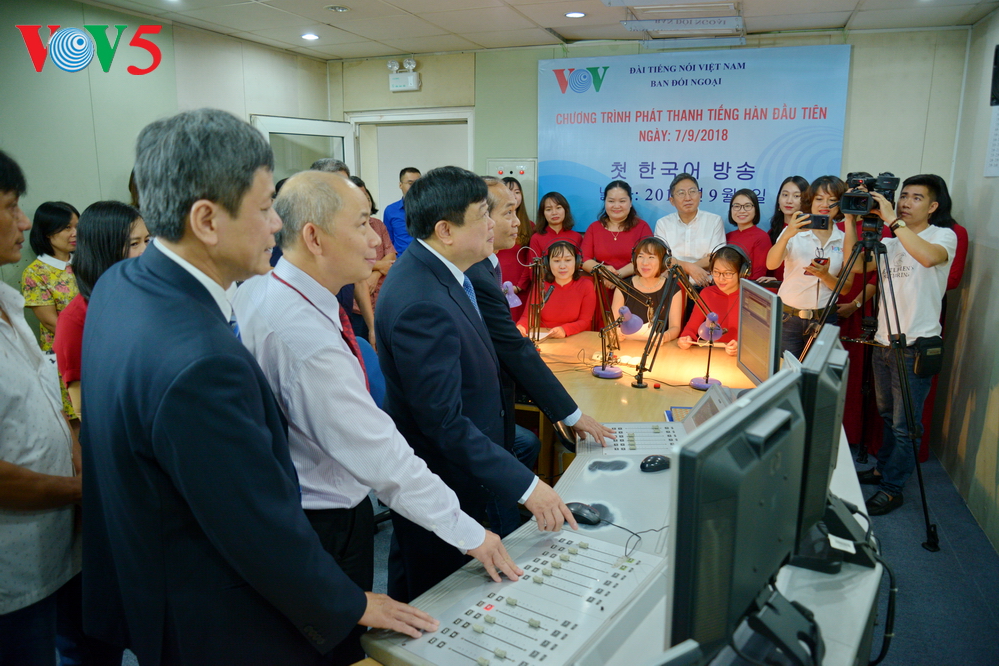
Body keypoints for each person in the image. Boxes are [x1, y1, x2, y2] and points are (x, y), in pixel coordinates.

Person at [79, 109, 435, 666]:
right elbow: (252, 523)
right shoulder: (201, 362)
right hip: (218, 614)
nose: (276, 226)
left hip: (149, 584)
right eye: (266, 207)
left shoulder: (121, 285)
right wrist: (349, 600)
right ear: (206, 220)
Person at [232, 171, 519, 664]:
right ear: (314, 237)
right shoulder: (303, 336)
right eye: (362, 224)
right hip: (325, 521)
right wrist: (471, 533)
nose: (376, 240)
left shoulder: (270, 288)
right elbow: (380, 455)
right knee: (337, 649)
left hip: (307, 503)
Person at [375, 166, 577, 602]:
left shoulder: (447, 273)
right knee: (437, 593)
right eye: (484, 214)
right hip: (444, 475)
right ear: (446, 230)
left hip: (464, 463)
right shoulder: (421, 300)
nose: (494, 224)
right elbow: (444, 423)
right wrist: (528, 487)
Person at [470, 178, 614, 536]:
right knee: (505, 459)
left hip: (495, 402)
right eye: (508, 212)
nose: (518, 222)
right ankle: (504, 531)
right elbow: (513, 342)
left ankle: (501, 516)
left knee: (524, 445)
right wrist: (573, 415)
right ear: (482, 218)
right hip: (476, 413)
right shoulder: (477, 272)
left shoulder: (487, 266)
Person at [0, 150, 82, 666]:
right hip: (13, 570)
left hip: (58, 545)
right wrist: (82, 490)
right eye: (11, 206)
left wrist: (75, 451)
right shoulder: (32, 281)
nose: (24, 221)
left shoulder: (7, 302)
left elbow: (44, 405)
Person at [848, 175, 958, 516]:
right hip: (884, 341)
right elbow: (859, 266)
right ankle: (883, 469)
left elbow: (927, 258)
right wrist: (851, 220)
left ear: (933, 206)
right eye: (904, 196)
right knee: (886, 415)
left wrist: (892, 220)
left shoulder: (943, 236)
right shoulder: (891, 242)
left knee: (905, 424)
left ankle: (893, 488)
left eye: (916, 198)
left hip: (914, 345)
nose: (906, 202)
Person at [53, 201, 150, 417]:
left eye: (147, 240)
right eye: (134, 244)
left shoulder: (149, 296)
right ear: (103, 249)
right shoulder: (77, 318)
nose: (146, 251)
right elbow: (83, 407)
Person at [766, 175, 850, 359]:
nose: (825, 205)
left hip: (825, 318)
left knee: (819, 372)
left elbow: (845, 288)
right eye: (819, 199)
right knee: (786, 371)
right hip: (789, 317)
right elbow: (771, 263)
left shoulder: (843, 239)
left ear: (840, 205)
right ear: (810, 202)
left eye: (832, 200)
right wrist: (787, 234)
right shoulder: (795, 231)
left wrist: (825, 276)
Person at [22, 201, 80, 353]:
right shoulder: (35, 273)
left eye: (77, 226)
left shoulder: (84, 262)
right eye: (67, 227)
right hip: (64, 348)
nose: (75, 233)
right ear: (48, 232)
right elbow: (51, 323)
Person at [654, 173, 725, 287]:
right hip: (672, 286)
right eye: (681, 193)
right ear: (672, 201)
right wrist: (689, 268)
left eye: (692, 191)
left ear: (700, 195)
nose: (688, 198)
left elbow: (716, 258)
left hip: (705, 285)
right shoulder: (663, 224)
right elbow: (663, 260)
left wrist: (683, 268)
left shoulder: (714, 221)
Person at [348, 175, 395, 345]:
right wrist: (380, 266)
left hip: (382, 300)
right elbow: (352, 261)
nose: (364, 202)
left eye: (366, 197)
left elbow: (391, 255)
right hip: (357, 306)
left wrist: (375, 275)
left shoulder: (378, 224)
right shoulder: (345, 229)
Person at [677, 245, 749, 356]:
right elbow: (691, 328)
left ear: (741, 273)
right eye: (716, 272)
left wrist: (741, 346)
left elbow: (760, 339)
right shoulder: (707, 293)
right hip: (711, 354)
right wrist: (686, 338)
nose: (721, 279)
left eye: (728, 273)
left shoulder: (751, 297)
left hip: (741, 357)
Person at [516, 240, 595, 339]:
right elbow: (528, 317)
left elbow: (585, 321)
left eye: (568, 260)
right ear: (547, 263)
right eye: (556, 261)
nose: (562, 266)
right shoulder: (540, 285)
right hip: (545, 339)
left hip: (575, 338)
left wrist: (565, 330)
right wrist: (521, 327)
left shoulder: (586, 285)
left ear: (577, 262)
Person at [610, 237, 682, 342]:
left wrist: (664, 337)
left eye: (651, 257)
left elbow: (675, 327)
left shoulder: (673, 289)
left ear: (663, 261)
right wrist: (614, 332)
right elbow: (613, 324)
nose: (645, 263)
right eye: (640, 256)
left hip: (657, 346)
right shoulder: (623, 287)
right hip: (627, 344)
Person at [499, 176, 533, 321]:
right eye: (508, 191)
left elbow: (530, 261)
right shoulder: (492, 224)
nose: (513, 196)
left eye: (517, 192)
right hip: (495, 283)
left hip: (520, 288)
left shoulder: (530, 226)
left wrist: (519, 286)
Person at [764, 176, 809, 282]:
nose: (789, 201)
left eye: (796, 196)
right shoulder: (772, 232)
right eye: (785, 195)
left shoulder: (810, 232)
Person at [725, 188, 771, 281]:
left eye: (747, 206)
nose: (742, 211)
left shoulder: (762, 237)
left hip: (747, 287)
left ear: (756, 209)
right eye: (737, 206)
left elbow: (758, 276)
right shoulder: (727, 236)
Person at [528, 191, 583, 261]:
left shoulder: (577, 237)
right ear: (543, 214)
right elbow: (533, 266)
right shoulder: (536, 238)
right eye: (548, 209)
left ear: (565, 210)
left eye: (558, 208)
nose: (554, 213)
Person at [382, 167, 420, 255]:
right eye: (410, 183)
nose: (415, 187)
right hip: (401, 259)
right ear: (400, 185)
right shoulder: (391, 211)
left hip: (425, 259)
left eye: (418, 183)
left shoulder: (430, 208)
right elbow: (388, 242)